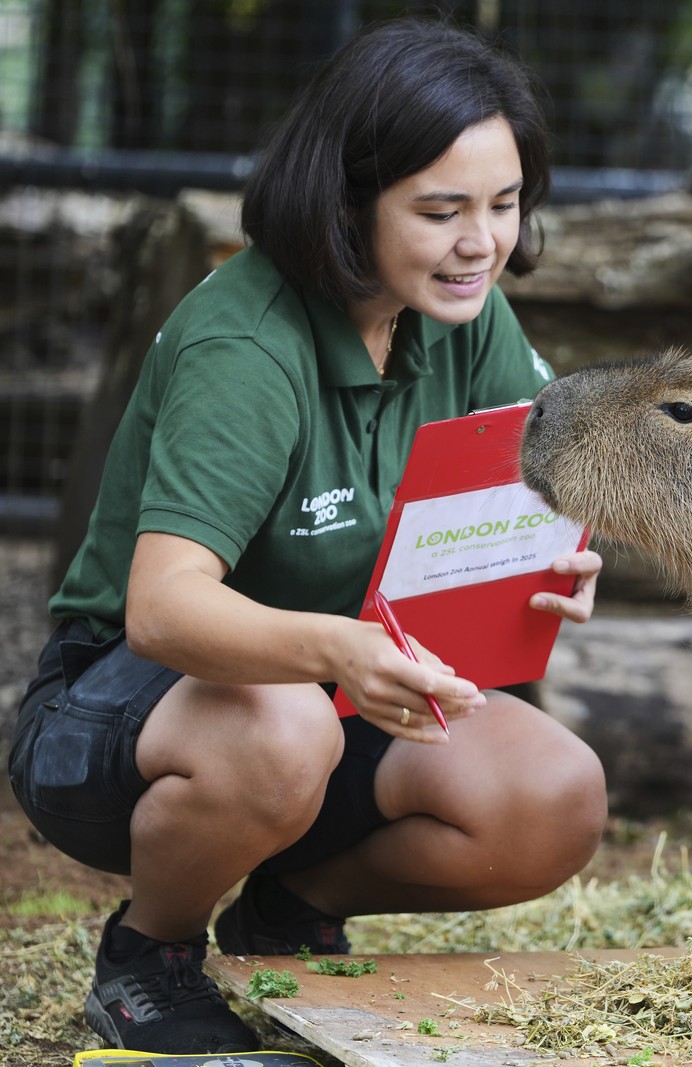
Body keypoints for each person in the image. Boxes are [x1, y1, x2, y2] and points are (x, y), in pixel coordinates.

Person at [6, 18, 608, 1055]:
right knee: (287, 729)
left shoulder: (462, 309)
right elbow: (161, 606)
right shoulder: (247, 342)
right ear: (346, 201)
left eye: (504, 203)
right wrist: (336, 649)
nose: (483, 242)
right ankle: (150, 953)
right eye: (440, 209)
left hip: (338, 689)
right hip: (118, 712)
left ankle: (287, 904)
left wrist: (556, 562)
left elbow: (541, 482)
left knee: (555, 796)